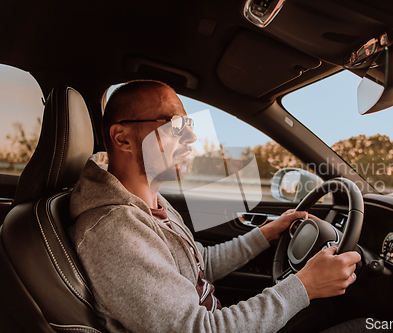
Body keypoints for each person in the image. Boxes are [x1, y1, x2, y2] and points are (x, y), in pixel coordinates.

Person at [69, 80, 362, 333]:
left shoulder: (150, 203)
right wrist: (304, 286)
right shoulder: (113, 230)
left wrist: (266, 233)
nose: (192, 137)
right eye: (176, 124)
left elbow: (199, 265)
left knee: (334, 315)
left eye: (190, 124)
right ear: (123, 138)